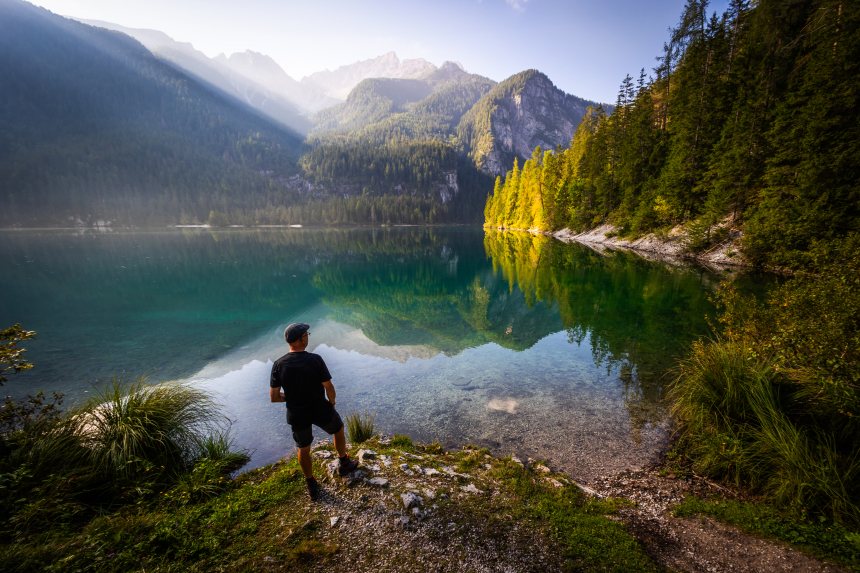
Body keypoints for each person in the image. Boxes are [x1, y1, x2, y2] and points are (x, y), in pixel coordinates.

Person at [270, 322, 358, 500]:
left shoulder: (278, 364)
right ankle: (344, 462)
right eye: (306, 334)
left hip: (296, 413)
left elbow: (274, 397)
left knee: (303, 448)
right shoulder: (315, 359)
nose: (308, 336)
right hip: (319, 407)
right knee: (338, 428)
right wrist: (332, 402)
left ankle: (311, 482)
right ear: (301, 339)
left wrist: (292, 397)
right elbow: (328, 386)